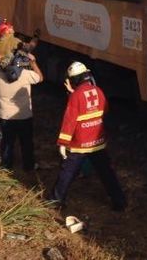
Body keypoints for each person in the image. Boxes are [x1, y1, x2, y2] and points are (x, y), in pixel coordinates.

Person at [49, 62, 127, 211]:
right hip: (97, 142)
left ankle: (55, 201)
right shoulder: (98, 91)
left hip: (79, 144)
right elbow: (104, 111)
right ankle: (119, 202)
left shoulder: (75, 96)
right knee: (107, 173)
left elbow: (69, 121)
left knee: (67, 172)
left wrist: (63, 143)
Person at [0, 47, 44, 171]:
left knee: (7, 142)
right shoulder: (26, 75)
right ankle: (29, 166)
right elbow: (40, 78)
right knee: (26, 142)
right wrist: (32, 63)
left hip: (5, 115)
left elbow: (1, 65)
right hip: (24, 115)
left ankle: (6, 165)